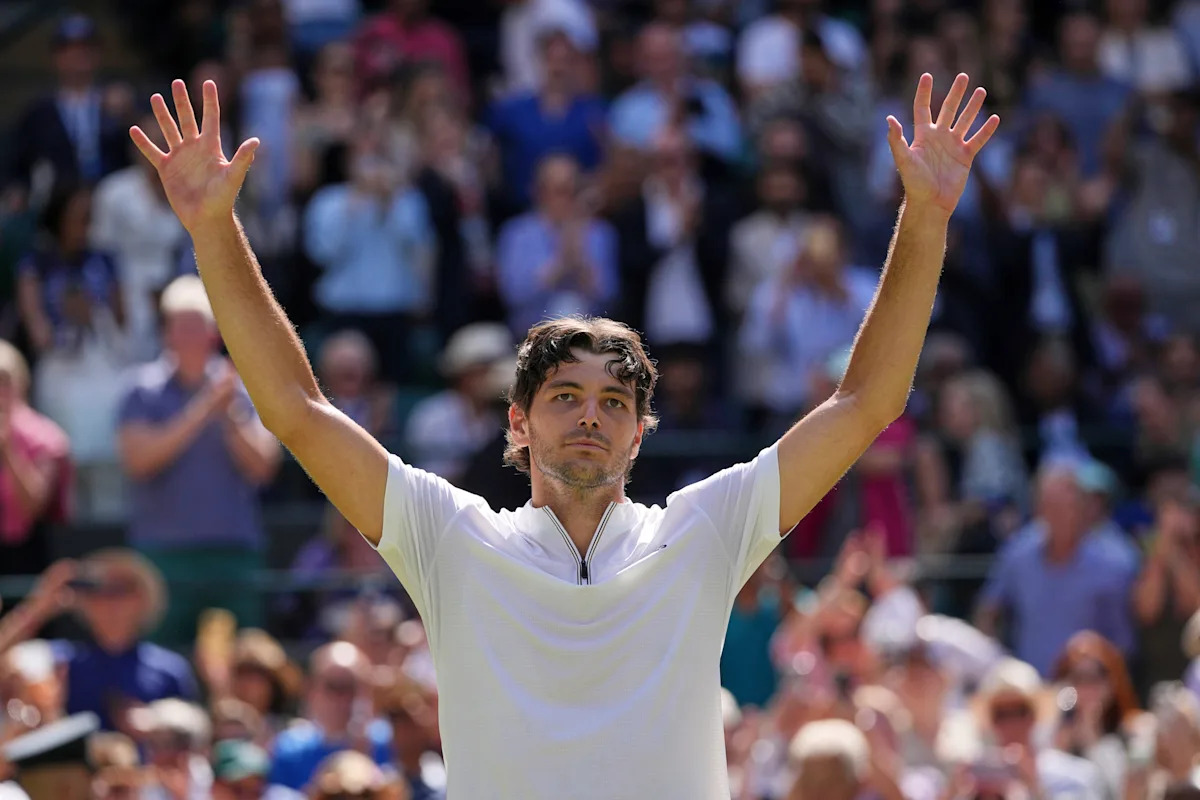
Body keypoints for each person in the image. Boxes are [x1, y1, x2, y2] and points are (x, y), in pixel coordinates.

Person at [130, 70, 1000, 798]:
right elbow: (294, 408)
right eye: (566, 396)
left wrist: (925, 216)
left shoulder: (706, 528)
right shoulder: (449, 537)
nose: (592, 414)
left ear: (640, 433)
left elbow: (869, 401)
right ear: (517, 421)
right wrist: (214, 230)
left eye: (616, 402)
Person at [116, 275, 280, 643]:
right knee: (163, 664)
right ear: (166, 332)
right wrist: (204, 408)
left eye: (199, 325)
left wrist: (230, 415)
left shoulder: (241, 391)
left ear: (214, 335)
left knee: (239, 664)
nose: (190, 335)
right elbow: (138, 461)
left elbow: (264, 467)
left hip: (232, 555)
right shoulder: (139, 390)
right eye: (181, 325)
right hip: (163, 556)